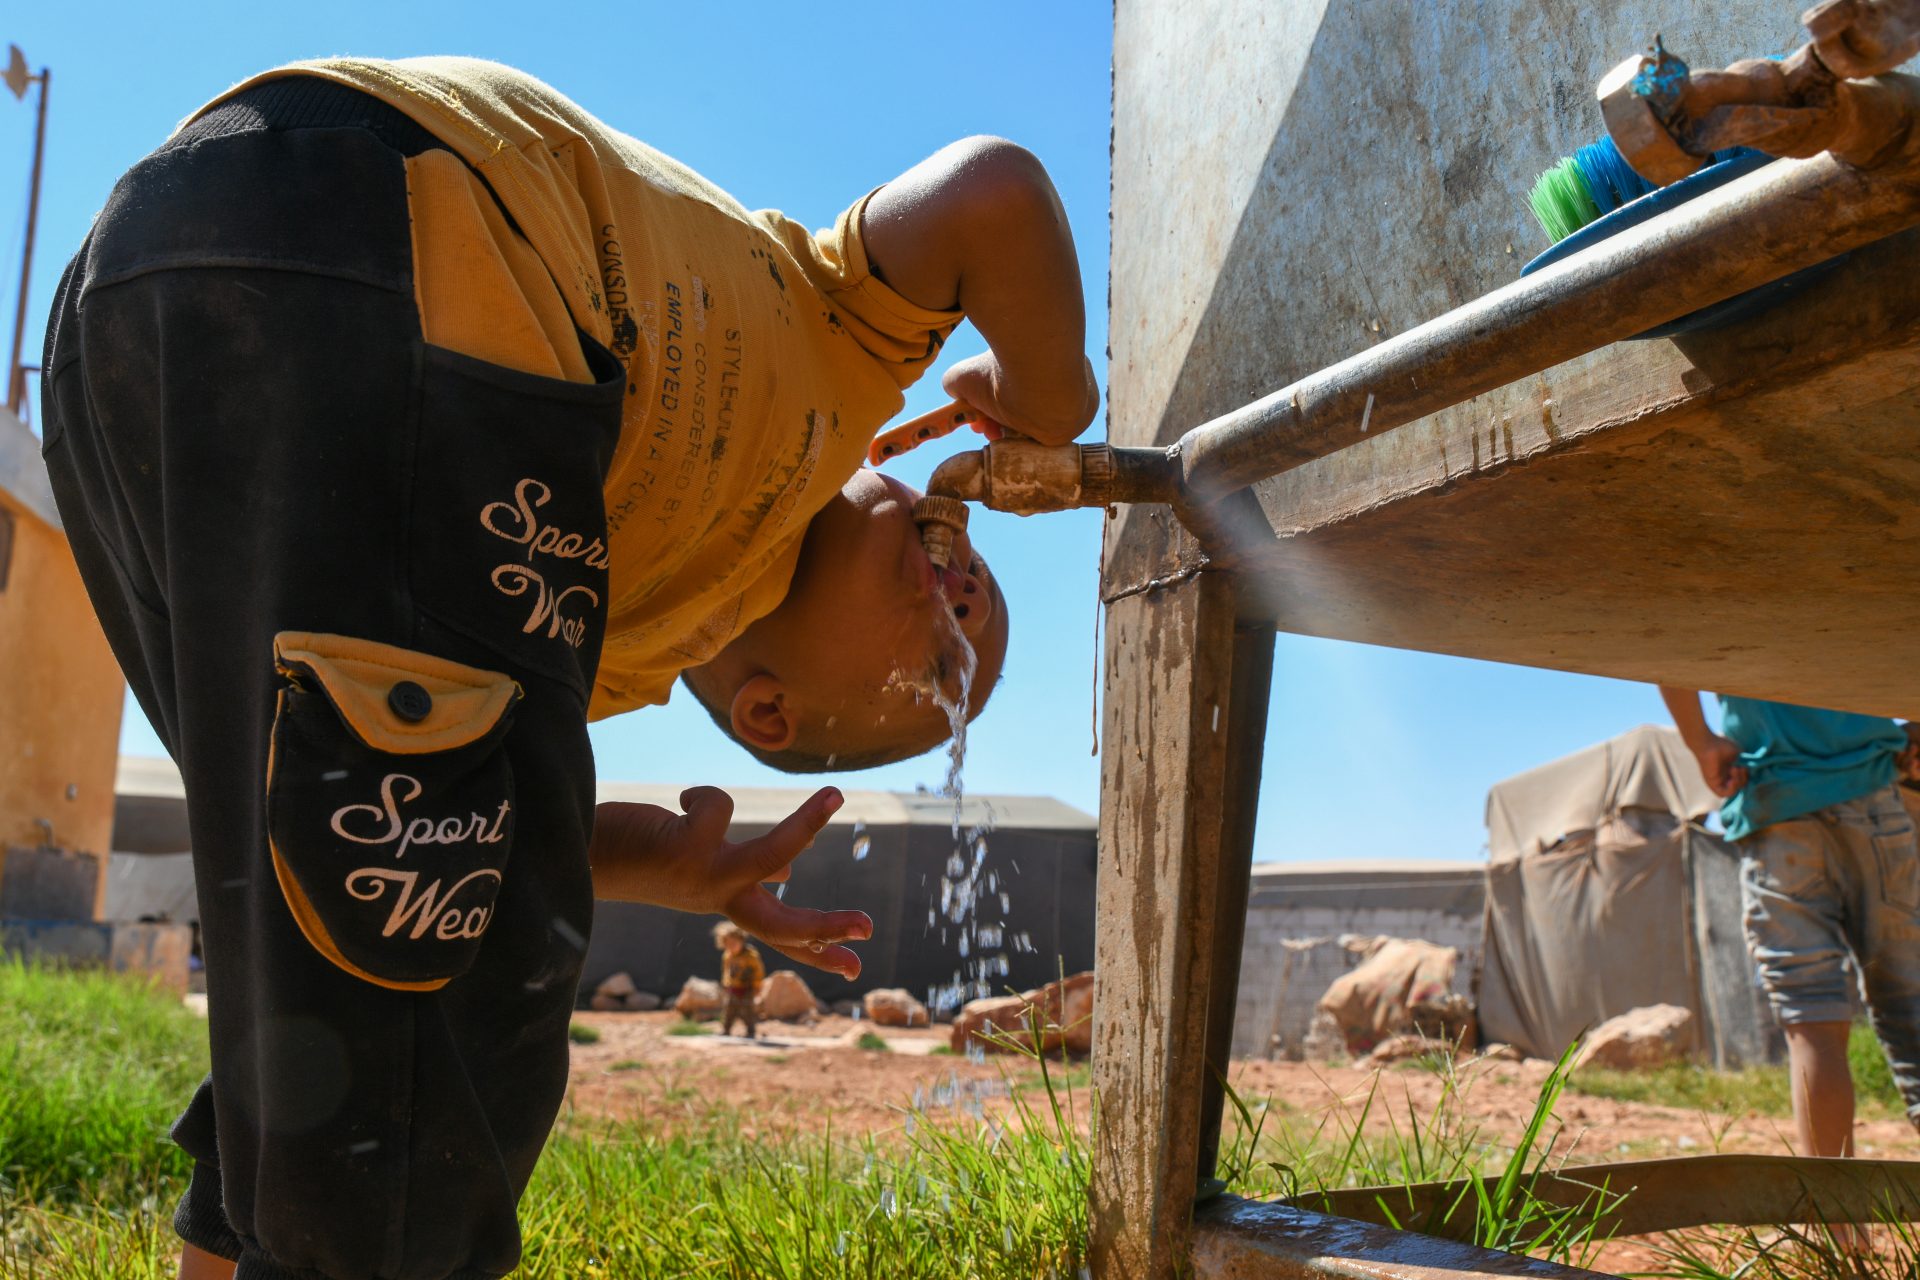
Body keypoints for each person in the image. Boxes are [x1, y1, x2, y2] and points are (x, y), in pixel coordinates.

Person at [42, 58, 1097, 1280]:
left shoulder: (584, 627)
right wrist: (1050, 403)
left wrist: (667, 866)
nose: (964, 591)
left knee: (323, 899)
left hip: (134, 304)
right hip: (391, 241)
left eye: (946, 660)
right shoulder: (847, 340)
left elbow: (482, 826)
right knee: (437, 1023)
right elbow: (995, 195)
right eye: (980, 589)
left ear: (769, 708)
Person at [1660, 689, 1920, 1163]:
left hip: (1778, 805)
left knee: (1813, 1019)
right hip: (1876, 798)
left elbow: (1661, 639)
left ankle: (1837, 1223)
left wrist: (1701, 742)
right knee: (1912, 1003)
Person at [714, 921, 766, 1039]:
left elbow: (759, 971)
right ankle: (726, 1029)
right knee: (729, 1010)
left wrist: (757, 986)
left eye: (734, 943)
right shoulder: (727, 956)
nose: (731, 947)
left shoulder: (750, 956)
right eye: (728, 944)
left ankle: (751, 1031)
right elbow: (726, 971)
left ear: (741, 940)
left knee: (747, 1010)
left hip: (747, 988)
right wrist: (726, 983)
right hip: (733, 987)